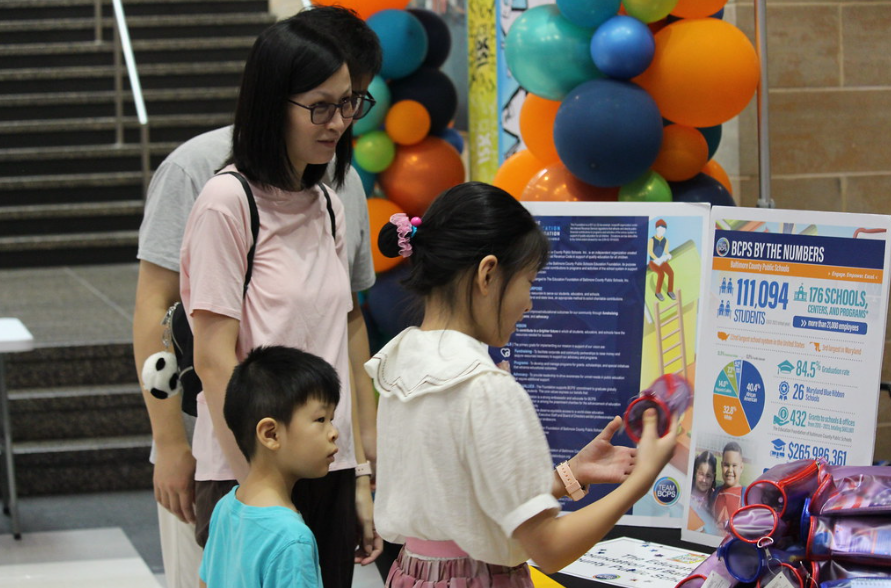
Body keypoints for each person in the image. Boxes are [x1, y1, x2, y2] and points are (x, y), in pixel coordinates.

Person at [131, 7, 382, 588]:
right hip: (256, 474)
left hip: (325, 463)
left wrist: (359, 474)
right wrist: (261, 484)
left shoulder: (327, 200)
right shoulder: (226, 201)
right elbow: (215, 357)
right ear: (273, 102)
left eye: (349, 104)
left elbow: (343, 330)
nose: (339, 122)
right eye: (320, 106)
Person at [366, 182, 679, 585]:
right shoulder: (487, 389)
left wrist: (570, 474)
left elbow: (460, 499)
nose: (529, 303)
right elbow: (549, 547)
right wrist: (641, 479)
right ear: (488, 274)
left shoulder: (398, 362)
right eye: (529, 282)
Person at [199, 346, 340, 588]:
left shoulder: (225, 507)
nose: (334, 433)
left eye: (332, 420)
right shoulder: (291, 538)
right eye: (320, 420)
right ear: (271, 433)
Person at [713, 441, 746, 528]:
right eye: (726, 465)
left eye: (734, 465)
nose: (730, 470)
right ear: (721, 465)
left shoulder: (746, 496)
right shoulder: (714, 493)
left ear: (741, 467)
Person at [687, 450, 718, 533]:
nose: (704, 480)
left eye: (708, 476)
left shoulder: (715, 497)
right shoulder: (687, 491)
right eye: (701, 474)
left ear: (713, 477)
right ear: (695, 472)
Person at [648, 218, 675, 301]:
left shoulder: (666, 240)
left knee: (671, 273)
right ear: (657, 229)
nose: (662, 230)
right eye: (660, 228)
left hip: (661, 261)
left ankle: (670, 291)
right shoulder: (652, 240)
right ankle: (658, 292)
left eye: (664, 229)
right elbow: (650, 252)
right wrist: (657, 259)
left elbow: (666, 251)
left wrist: (668, 255)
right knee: (661, 274)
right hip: (653, 262)